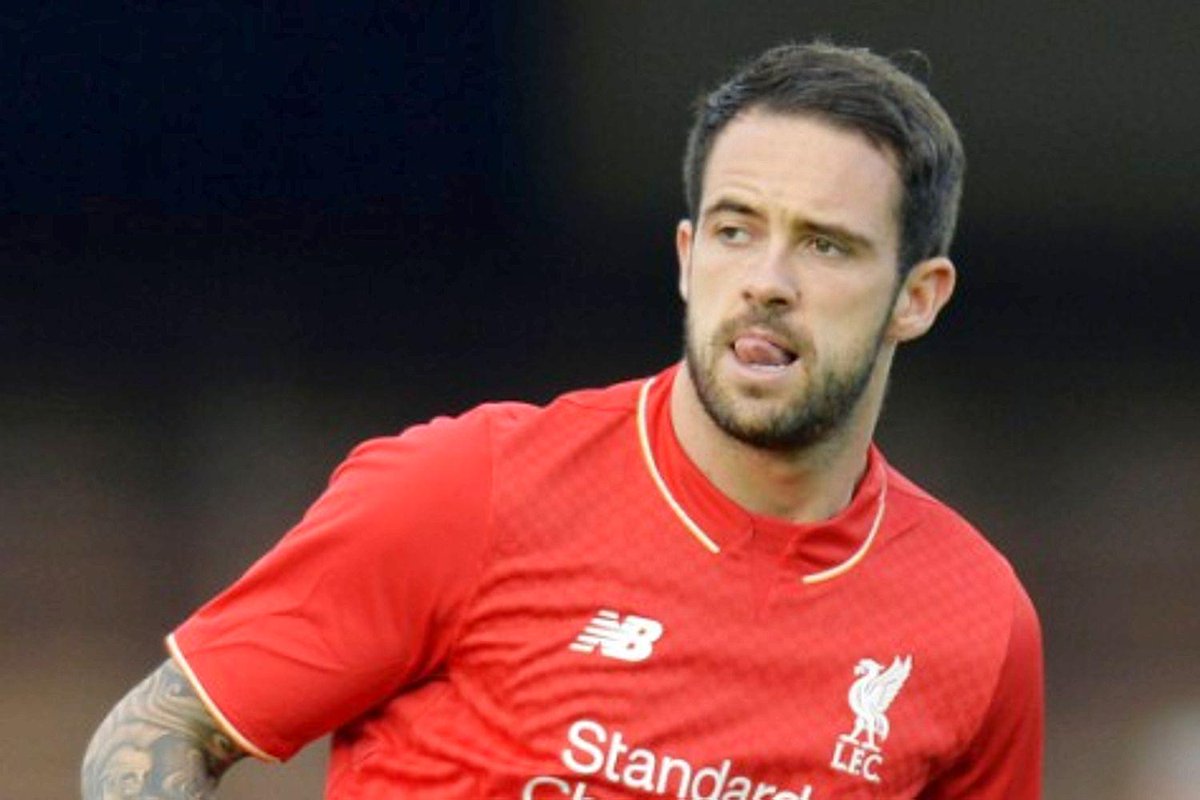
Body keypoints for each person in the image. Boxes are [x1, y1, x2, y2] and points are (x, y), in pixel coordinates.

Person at [82, 40, 1043, 799]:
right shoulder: (472, 485)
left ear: (918, 296)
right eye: (735, 229)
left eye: (825, 246)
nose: (766, 281)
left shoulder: (977, 622)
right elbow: (157, 736)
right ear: (687, 255)